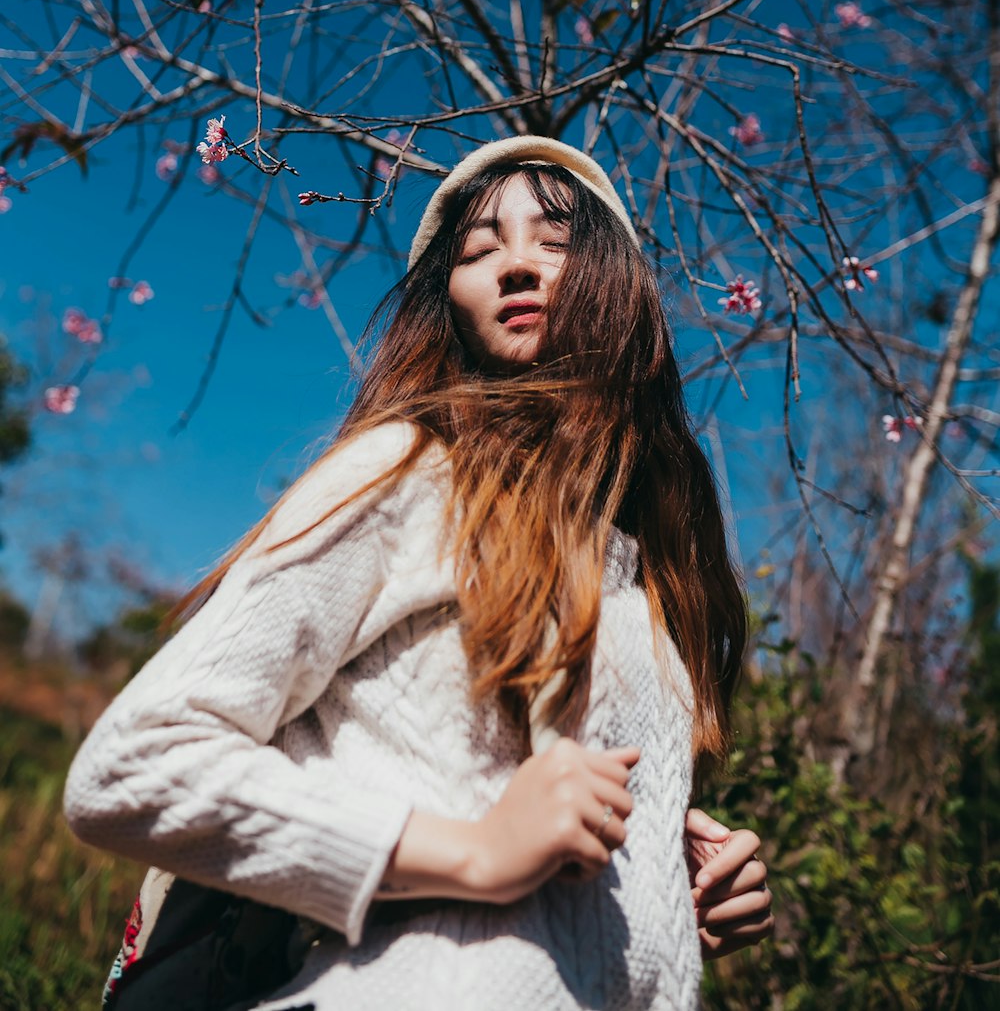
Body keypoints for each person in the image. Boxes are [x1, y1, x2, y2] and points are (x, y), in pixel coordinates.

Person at [64, 136, 773, 1010]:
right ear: (451, 304)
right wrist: (471, 853)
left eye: (554, 240)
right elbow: (132, 767)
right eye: (480, 250)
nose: (516, 265)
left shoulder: (655, 590)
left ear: (619, 279)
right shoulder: (409, 472)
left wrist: (668, 889)